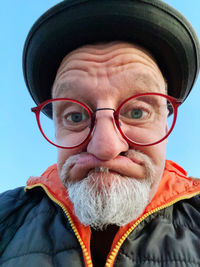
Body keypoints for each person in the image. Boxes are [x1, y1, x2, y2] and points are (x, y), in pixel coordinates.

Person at [1, 0, 200, 266]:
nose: (105, 147)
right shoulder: (6, 218)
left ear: (165, 124)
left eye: (137, 112)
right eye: (76, 116)